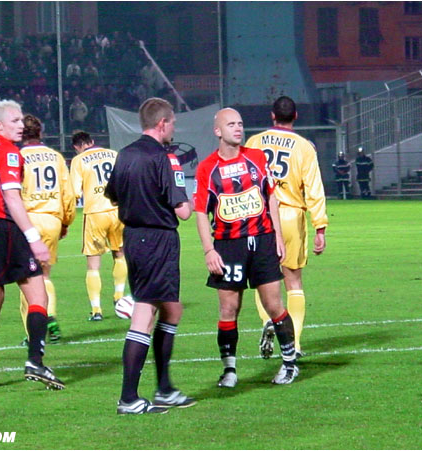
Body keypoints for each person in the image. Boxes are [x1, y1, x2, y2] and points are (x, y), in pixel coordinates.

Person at [0, 99, 64, 391]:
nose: (21, 125)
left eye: (21, 120)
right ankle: (35, 360)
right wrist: (33, 238)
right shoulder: (8, 152)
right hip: (5, 229)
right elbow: (11, 198)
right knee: (38, 296)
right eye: (15, 121)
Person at [195, 107, 298, 389]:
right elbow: (202, 212)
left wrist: (277, 234)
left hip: (262, 240)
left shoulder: (256, 158)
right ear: (218, 131)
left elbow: (271, 197)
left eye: (240, 124)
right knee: (228, 308)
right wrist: (209, 250)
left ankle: (290, 364)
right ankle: (229, 371)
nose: (238, 128)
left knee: (273, 304)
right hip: (228, 246)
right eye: (231, 124)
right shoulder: (207, 168)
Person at [105, 97, 195, 415]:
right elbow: (183, 211)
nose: (174, 128)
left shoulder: (125, 155)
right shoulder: (166, 158)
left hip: (133, 237)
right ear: (161, 124)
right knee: (145, 312)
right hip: (158, 239)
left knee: (172, 309)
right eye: (172, 123)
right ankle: (129, 398)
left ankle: (165, 387)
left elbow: (113, 193)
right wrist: (191, 199)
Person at [245, 96, 328, 359]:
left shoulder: (253, 142)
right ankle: (296, 342)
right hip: (291, 215)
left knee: (262, 280)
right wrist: (320, 227)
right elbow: (314, 189)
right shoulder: (304, 147)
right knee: (293, 281)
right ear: (295, 116)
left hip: (259, 217)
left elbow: (243, 181)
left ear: (272, 116)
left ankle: (268, 321)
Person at [18, 114, 76, 345]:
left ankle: (32, 334)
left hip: (27, 220)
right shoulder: (55, 157)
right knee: (44, 274)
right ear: (41, 132)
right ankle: (49, 312)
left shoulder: (17, 157)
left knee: (25, 278)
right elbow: (67, 193)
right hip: (51, 219)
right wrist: (65, 221)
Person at [70, 130, 127, 321]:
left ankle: (96, 310)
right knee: (119, 254)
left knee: (93, 264)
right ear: (92, 141)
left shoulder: (78, 161)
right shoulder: (114, 154)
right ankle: (119, 297)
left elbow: (75, 193)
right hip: (118, 210)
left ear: (77, 147)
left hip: (96, 213)